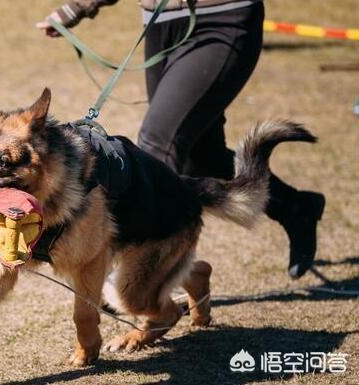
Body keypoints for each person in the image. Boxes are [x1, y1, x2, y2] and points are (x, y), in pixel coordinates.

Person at [36, 0, 325, 279]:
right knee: (202, 157)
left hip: (223, 19)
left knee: (158, 144)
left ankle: (140, 270)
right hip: (161, 23)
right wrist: (76, 7)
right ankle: (296, 208)